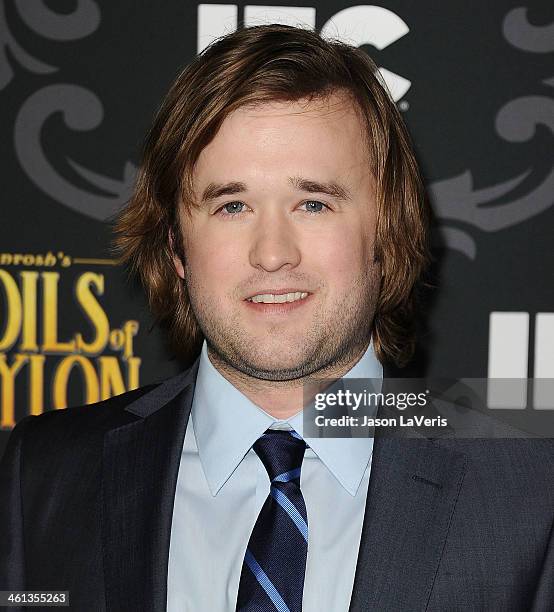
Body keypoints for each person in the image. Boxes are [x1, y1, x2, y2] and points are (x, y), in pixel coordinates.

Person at [1, 24, 553, 612]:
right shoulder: (45, 472)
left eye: (312, 203)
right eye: (232, 205)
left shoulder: (530, 491)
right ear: (176, 247)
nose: (271, 253)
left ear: (388, 231)